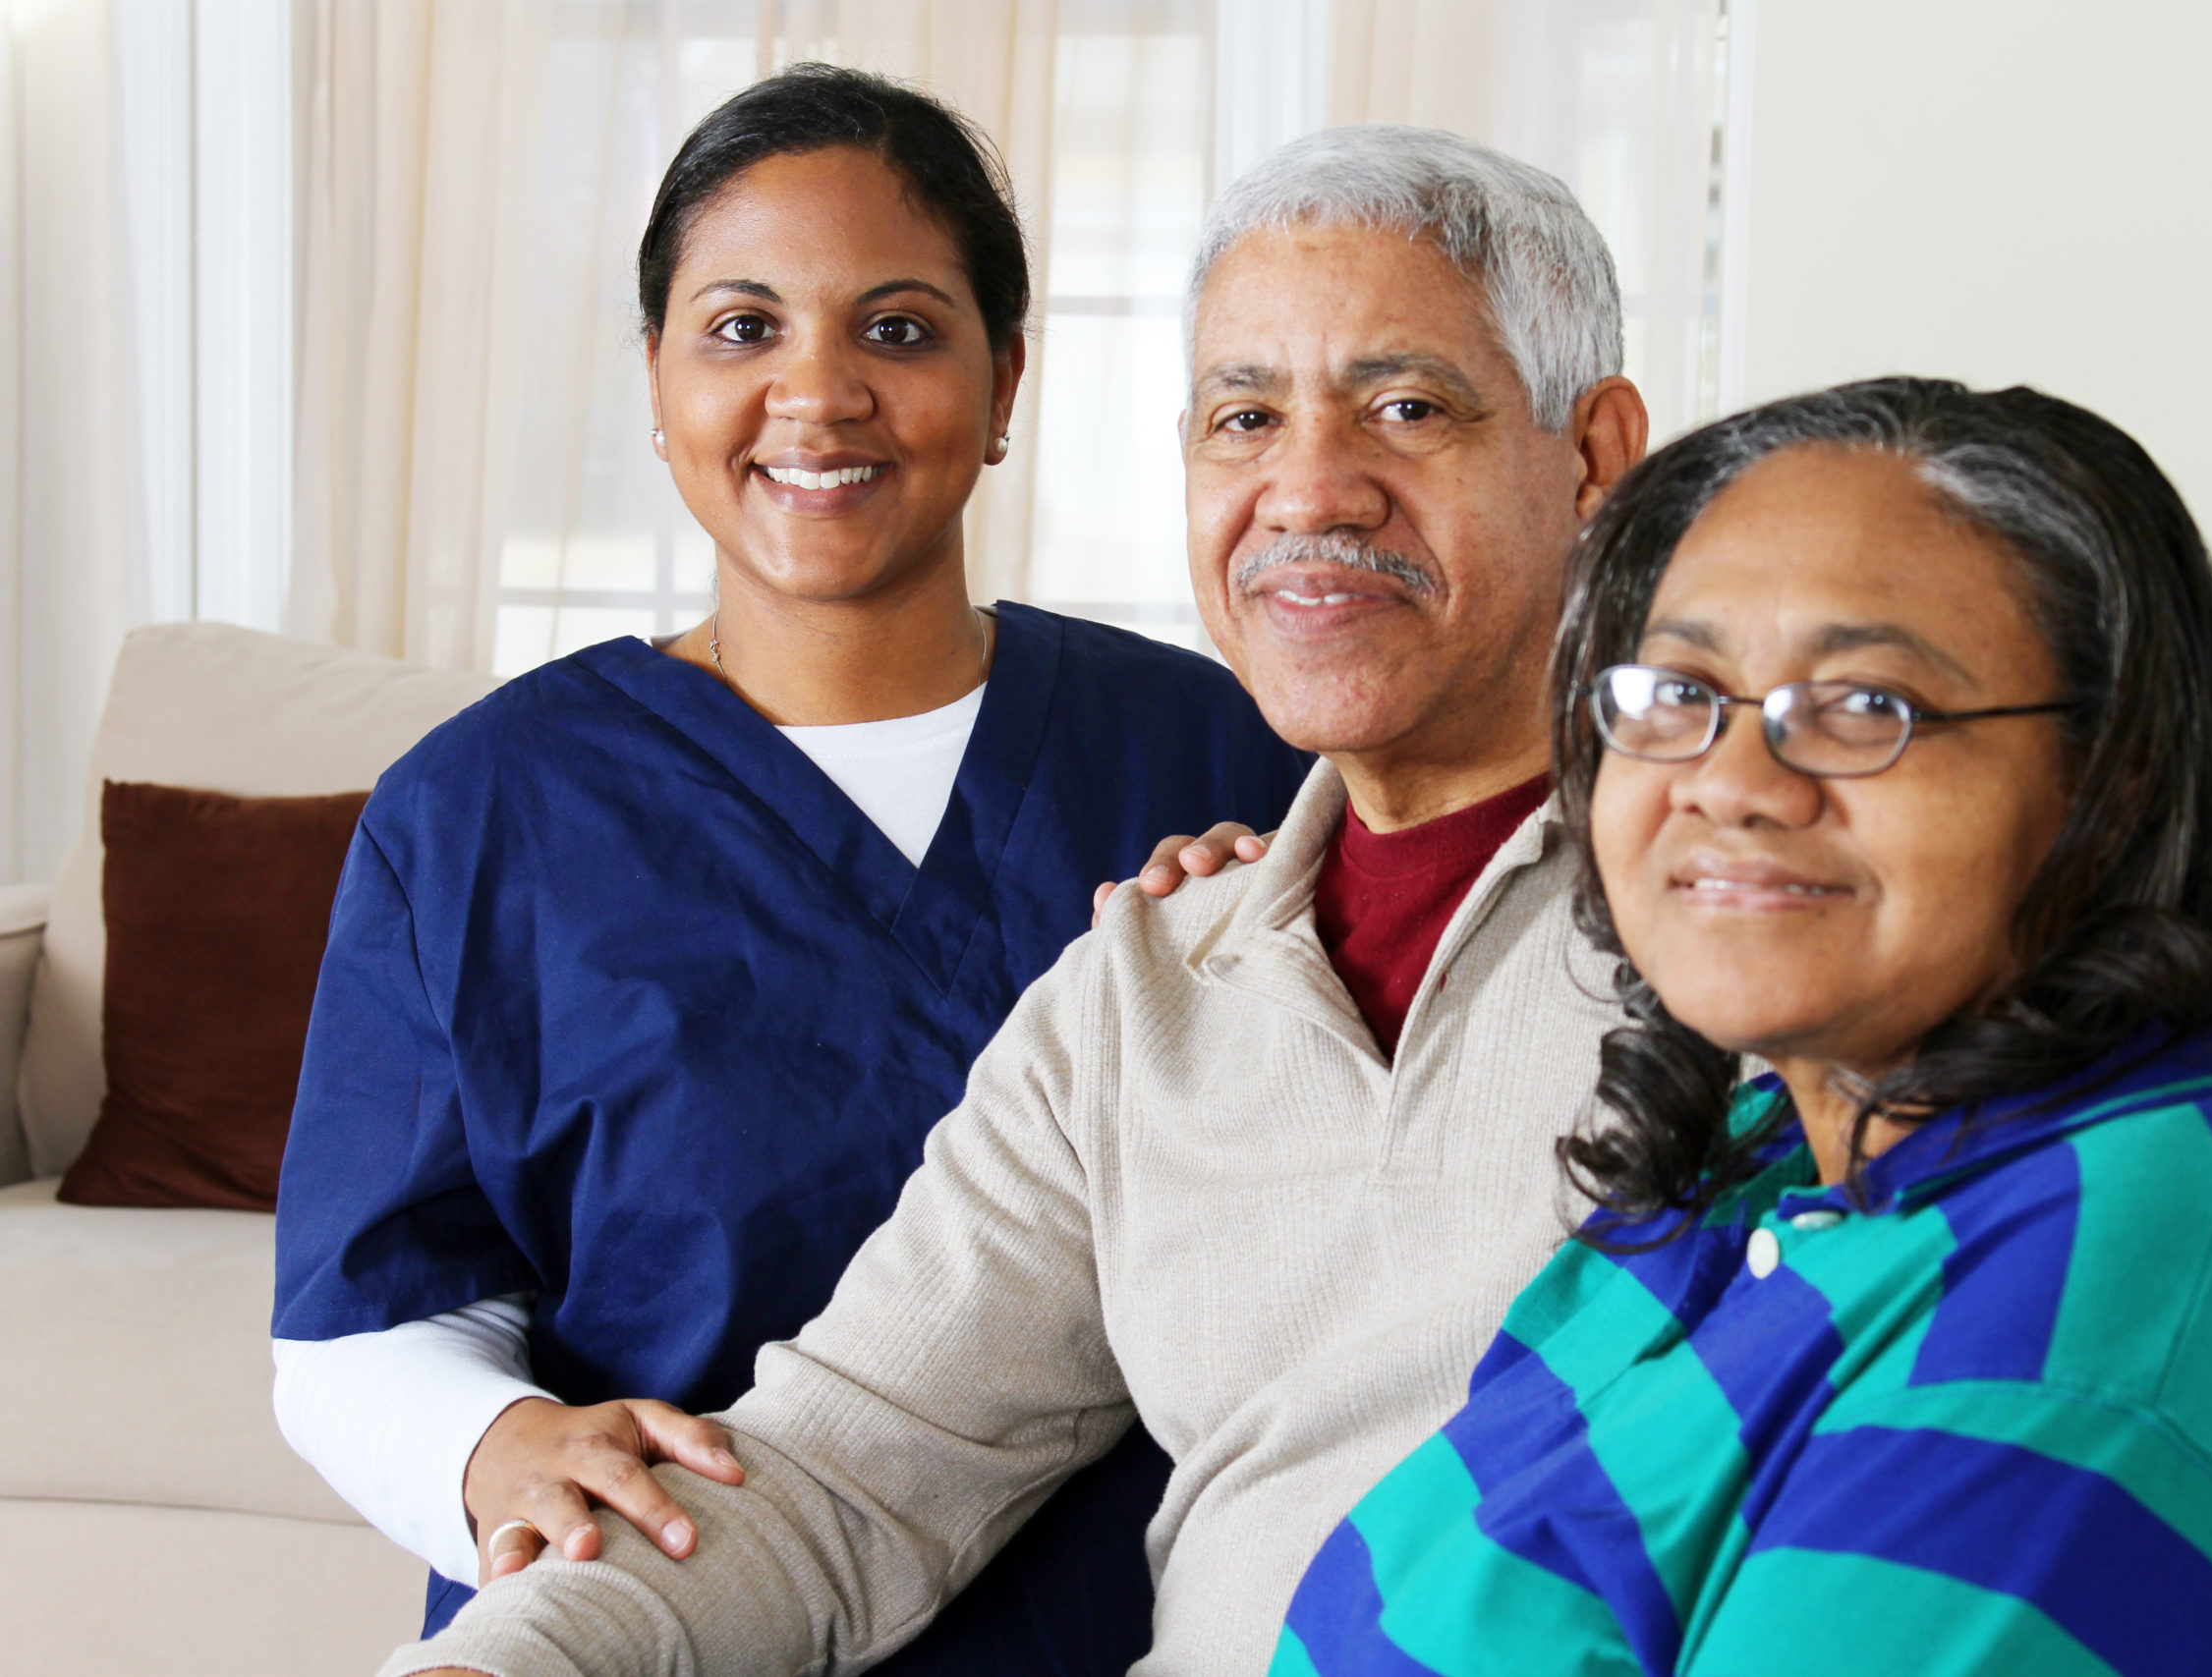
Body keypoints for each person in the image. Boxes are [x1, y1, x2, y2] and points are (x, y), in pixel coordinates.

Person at [378, 123, 1653, 1676]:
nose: (1311, 487)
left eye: (1405, 406)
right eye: (1243, 417)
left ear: (1591, 455)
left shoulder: (1754, 938)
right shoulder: (1148, 987)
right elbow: (846, 1470)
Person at [269, 65, 1309, 1669]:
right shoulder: (480, 811)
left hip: (1146, 1626)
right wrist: (495, 1452)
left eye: (897, 329)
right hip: (672, 1609)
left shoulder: (1229, 755)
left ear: (1007, 375)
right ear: (657, 377)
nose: (817, 395)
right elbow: (367, 1319)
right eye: (742, 329)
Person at [1274, 377, 2212, 1675]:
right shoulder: (1763, 1157)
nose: (1733, 784)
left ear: (2110, 775)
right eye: (1679, 692)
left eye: (1868, 706)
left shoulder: (2099, 1324)